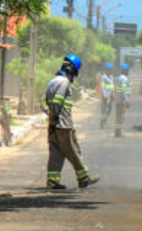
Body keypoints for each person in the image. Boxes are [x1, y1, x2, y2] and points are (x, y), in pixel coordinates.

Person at [43, 55, 100, 189]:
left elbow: (43, 103)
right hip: (63, 124)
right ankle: (84, 179)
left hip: (53, 125)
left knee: (56, 153)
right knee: (72, 151)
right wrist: (56, 118)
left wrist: (51, 119)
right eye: (74, 74)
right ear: (71, 70)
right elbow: (57, 102)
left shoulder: (52, 82)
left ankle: (52, 181)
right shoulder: (64, 82)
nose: (73, 78)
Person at [113, 63, 131, 138]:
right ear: (125, 70)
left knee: (118, 117)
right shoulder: (124, 79)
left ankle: (117, 132)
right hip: (121, 101)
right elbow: (124, 90)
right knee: (120, 117)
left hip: (118, 100)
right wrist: (127, 100)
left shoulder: (119, 78)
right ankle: (118, 132)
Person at [100, 62, 114, 129]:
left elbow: (112, 86)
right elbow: (102, 87)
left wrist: (113, 94)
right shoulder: (104, 77)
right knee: (104, 110)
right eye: (109, 69)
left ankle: (105, 121)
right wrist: (104, 95)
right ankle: (102, 123)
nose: (110, 71)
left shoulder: (111, 77)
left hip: (110, 95)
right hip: (105, 96)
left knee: (109, 110)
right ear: (106, 70)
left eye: (111, 69)